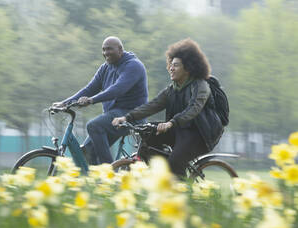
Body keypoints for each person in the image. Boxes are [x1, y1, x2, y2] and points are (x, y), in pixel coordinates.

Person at [112, 38, 224, 178]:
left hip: (201, 134)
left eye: (176, 65)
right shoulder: (172, 89)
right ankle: (161, 177)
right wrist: (127, 117)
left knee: (176, 161)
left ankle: (182, 192)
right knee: (149, 134)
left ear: (188, 68)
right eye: (170, 64)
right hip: (180, 130)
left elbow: (193, 109)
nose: (171, 68)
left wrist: (171, 122)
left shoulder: (201, 86)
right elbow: (153, 105)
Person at [53, 36, 148, 165]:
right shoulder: (105, 68)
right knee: (86, 152)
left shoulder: (134, 66)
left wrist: (91, 100)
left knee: (94, 125)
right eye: (103, 50)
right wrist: (65, 103)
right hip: (113, 117)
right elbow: (90, 88)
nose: (105, 53)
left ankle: (108, 173)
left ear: (120, 49)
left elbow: (117, 89)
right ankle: (96, 182)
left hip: (130, 116)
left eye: (109, 49)